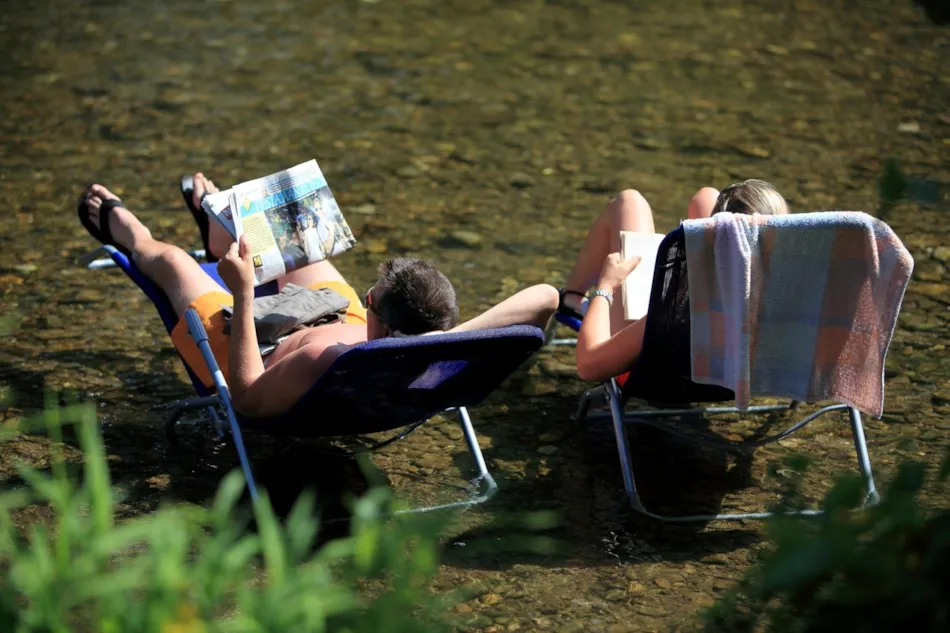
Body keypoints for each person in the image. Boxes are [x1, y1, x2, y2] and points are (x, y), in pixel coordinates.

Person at [78, 174, 559, 419]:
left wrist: (244, 293)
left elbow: (245, 398)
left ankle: (132, 233)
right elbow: (545, 296)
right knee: (292, 239)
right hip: (341, 323)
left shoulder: (318, 365)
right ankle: (223, 226)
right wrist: (448, 337)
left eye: (372, 295)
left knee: (175, 264)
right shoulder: (434, 355)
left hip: (254, 340)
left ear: (379, 317)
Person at [559, 179, 789, 383]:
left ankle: (573, 298)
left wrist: (605, 288)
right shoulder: (799, 291)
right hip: (741, 364)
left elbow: (588, 366)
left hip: (654, 366)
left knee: (629, 202)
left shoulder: (684, 310)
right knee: (707, 197)